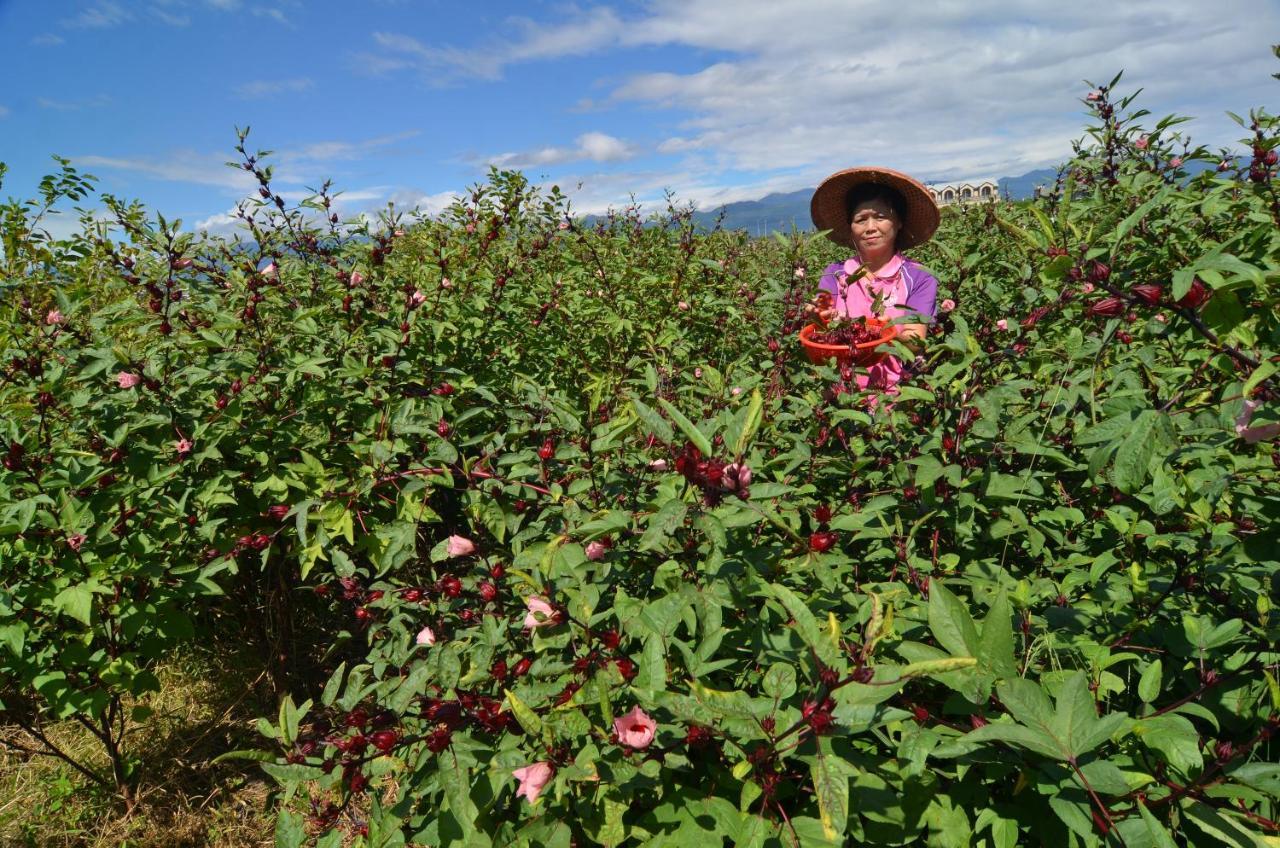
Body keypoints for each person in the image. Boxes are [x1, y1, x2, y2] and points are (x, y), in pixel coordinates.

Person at [807, 166, 941, 391]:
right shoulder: (834, 274)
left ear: (898, 223)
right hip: (844, 395)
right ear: (851, 227)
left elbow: (915, 341)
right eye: (861, 219)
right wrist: (817, 318)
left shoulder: (919, 276)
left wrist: (881, 329)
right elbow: (821, 325)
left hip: (899, 397)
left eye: (880, 217)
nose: (871, 227)